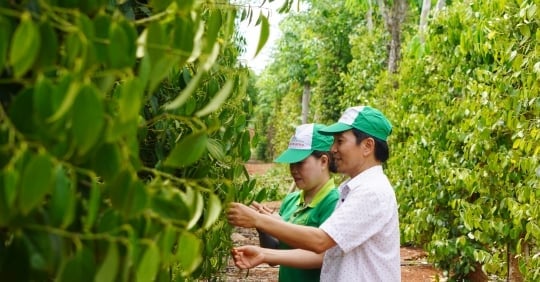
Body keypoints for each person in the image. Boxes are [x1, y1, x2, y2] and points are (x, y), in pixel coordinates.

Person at [228, 106, 400, 281]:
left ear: (367, 146)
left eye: (340, 141)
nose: (332, 149)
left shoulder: (371, 192)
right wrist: (265, 251)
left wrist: (258, 220)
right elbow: (330, 251)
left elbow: (320, 242)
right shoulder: (353, 190)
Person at [244, 123, 339, 282]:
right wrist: (263, 227)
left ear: (323, 161)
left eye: (300, 162)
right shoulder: (291, 201)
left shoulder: (334, 202)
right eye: (291, 163)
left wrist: (264, 221)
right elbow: (273, 256)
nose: (294, 169)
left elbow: (324, 257)